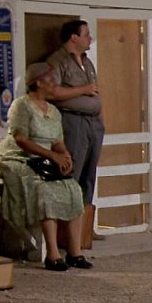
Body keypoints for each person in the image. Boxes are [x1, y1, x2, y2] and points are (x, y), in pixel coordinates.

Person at [0, 62, 92, 271]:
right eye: (50, 80)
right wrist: (52, 156)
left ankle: (75, 252)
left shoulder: (54, 111)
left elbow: (57, 141)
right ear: (38, 82)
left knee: (73, 190)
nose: (54, 83)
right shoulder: (22, 106)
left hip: (45, 160)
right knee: (45, 191)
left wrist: (65, 157)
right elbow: (21, 139)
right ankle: (52, 253)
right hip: (19, 158)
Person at [45, 19, 104, 248]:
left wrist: (101, 120)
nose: (90, 39)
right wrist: (83, 90)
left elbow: (97, 92)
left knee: (89, 174)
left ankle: (86, 227)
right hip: (74, 121)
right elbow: (52, 92)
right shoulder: (57, 61)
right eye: (87, 34)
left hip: (93, 123)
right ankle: (67, 231)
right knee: (74, 174)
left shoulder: (87, 62)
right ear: (74, 37)